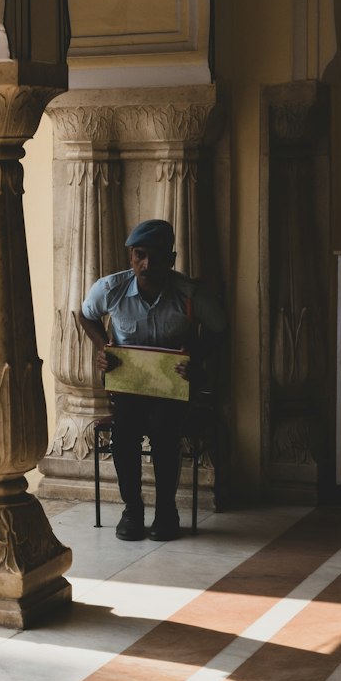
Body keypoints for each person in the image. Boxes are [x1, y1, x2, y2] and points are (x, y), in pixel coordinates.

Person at [77, 219, 226, 542]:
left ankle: (165, 512)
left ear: (170, 260)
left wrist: (194, 357)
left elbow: (218, 329)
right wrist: (105, 348)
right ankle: (132, 510)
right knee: (124, 433)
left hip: (172, 389)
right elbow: (86, 314)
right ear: (130, 256)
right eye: (139, 255)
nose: (147, 264)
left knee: (164, 431)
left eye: (156, 257)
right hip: (129, 388)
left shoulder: (189, 294)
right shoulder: (110, 289)